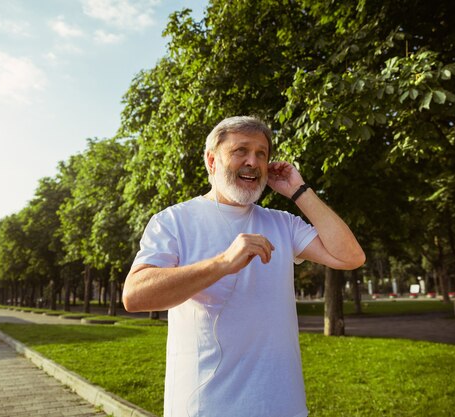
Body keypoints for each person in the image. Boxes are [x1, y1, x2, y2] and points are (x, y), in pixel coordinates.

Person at [123, 116, 365, 417]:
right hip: (205, 408)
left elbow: (350, 257)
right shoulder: (173, 221)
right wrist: (223, 263)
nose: (253, 161)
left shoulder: (282, 223)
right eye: (241, 151)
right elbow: (135, 296)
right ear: (212, 160)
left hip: (283, 406)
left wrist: (298, 191)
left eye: (261, 153)